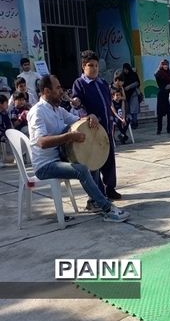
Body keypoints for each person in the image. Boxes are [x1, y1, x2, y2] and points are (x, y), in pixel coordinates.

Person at [27, 75, 129, 222]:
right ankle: (107, 209)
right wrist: (69, 137)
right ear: (47, 91)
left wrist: (90, 117)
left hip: (59, 158)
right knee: (82, 169)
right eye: (57, 88)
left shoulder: (58, 110)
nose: (61, 91)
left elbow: (78, 120)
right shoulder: (38, 112)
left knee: (92, 161)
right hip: (45, 165)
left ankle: (93, 202)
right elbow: (41, 142)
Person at [72, 50, 122, 201]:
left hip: (106, 128)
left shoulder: (102, 83)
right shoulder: (79, 84)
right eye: (90, 65)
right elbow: (77, 105)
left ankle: (110, 188)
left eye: (96, 65)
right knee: (94, 161)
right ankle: (98, 193)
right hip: (91, 130)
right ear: (83, 66)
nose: (94, 68)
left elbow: (108, 104)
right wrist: (77, 103)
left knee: (109, 158)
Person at [154, 59, 170, 135]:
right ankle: (159, 129)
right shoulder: (159, 73)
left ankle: (169, 129)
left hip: (169, 95)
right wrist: (164, 86)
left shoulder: (169, 73)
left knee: (169, 112)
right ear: (162, 65)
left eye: (167, 65)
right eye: (164, 64)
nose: (166, 66)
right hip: (162, 94)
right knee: (160, 114)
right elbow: (155, 75)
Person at [122, 63, 142, 129]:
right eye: (124, 69)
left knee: (134, 110)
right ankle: (130, 123)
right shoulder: (122, 76)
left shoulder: (133, 74)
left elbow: (137, 83)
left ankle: (135, 123)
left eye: (127, 69)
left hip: (134, 94)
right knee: (129, 110)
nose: (126, 71)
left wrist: (129, 87)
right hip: (126, 95)